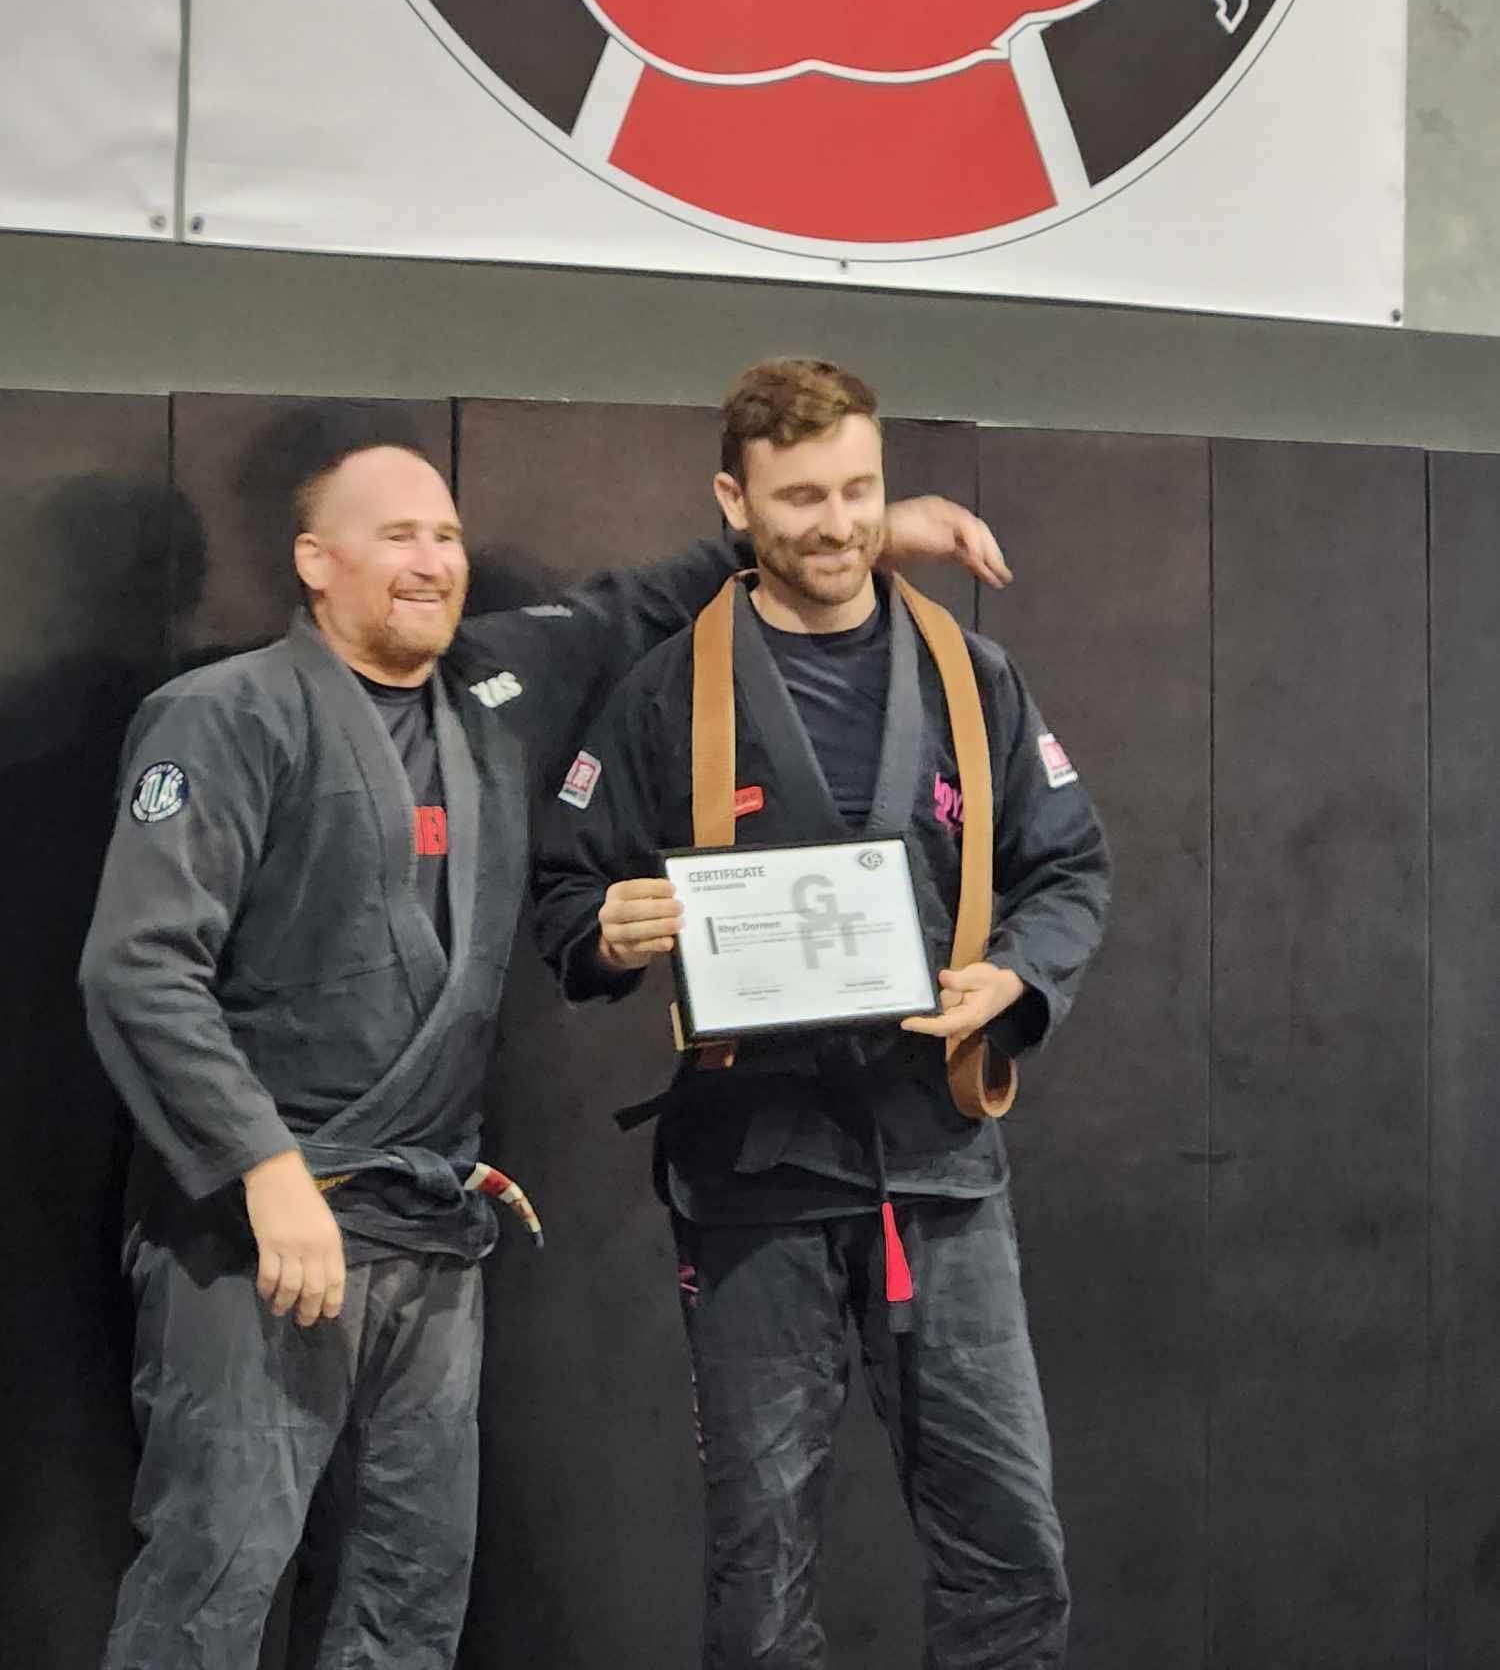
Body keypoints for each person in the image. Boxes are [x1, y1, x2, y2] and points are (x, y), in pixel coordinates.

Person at [79, 437, 1009, 1670]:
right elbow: (138, 968)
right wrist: (262, 1165)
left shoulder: (491, 689)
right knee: (216, 1572)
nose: (433, 560)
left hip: (431, 1225)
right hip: (262, 1230)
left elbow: (645, 602)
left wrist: (863, 534)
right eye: (398, 535)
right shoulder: (224, 713)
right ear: (314, 561)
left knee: (409, 1593)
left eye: (447, 536)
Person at [532, 362, 1110, 1670]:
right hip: (753, 1176)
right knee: (761, 1573)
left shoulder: (974, 677)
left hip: (938, 1168)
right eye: (801, 497)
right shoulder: (666, 693)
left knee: (1011, 1550)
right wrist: (608, 928)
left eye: (859, 490)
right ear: (735, 501)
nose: (839, 523)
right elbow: (566, 889)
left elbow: (1071, 867)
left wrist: (1014, 977)